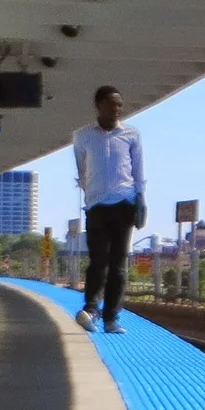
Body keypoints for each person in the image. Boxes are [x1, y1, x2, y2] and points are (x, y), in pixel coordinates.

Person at [72, 85, 146, 334]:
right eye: (112, 104)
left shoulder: (131, 135)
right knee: (98, 260)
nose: (117, 109)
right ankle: (91, 309)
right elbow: (82, 170)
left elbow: (138, 170)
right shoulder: (82, 136)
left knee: (119, 263)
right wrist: (90, 193)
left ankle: (112, 318)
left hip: (125, 203)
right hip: (96, 206)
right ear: (99, 105)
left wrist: (141, 199)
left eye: (119, 105)